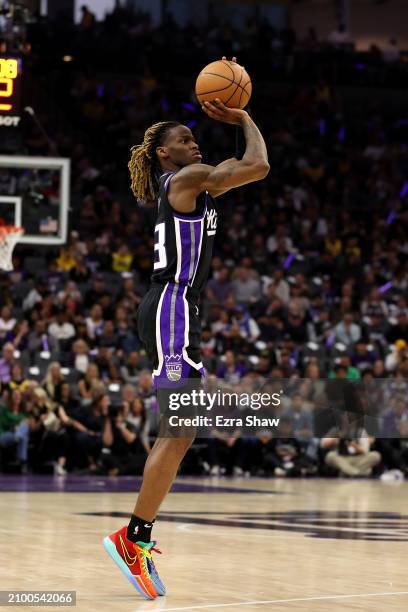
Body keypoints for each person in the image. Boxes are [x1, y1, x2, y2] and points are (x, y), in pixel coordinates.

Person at [103, 56, 269, 600]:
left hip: (181, 309)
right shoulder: (186, 179)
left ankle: (137, 535)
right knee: (178, 427)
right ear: (162, 153)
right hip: (171, 304)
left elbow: (243, 173)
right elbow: (259, 166)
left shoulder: (196, 187)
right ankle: (134, 537)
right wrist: (241, 118)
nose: (195, 143)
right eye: (185, 137)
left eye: (196, 138)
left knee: (183, 429)